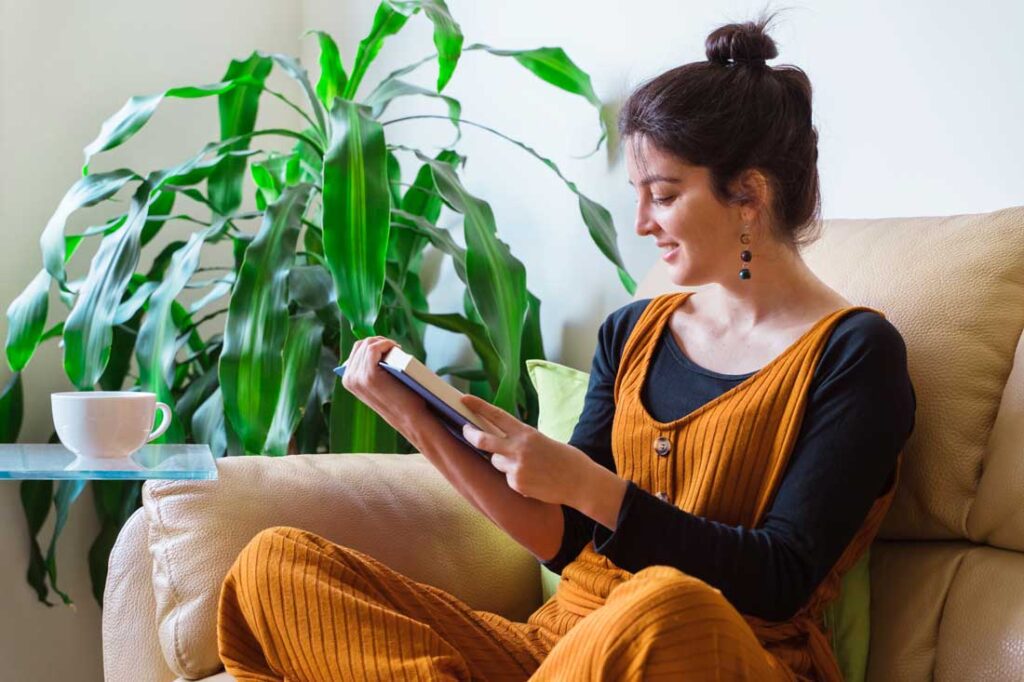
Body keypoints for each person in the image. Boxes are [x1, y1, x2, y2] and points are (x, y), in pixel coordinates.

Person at [216, 11, 916, 681]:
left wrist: (590, 486)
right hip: (565, 644)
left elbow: (780, 579)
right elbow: (567, 540)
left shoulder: (856, 354)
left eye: (663, 195)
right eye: (637, 194)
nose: (640, 222)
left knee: (663, 604)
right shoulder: (633, 332)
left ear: (749, 196)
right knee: (274, 567)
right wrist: (416, 418)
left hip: (709, 647)